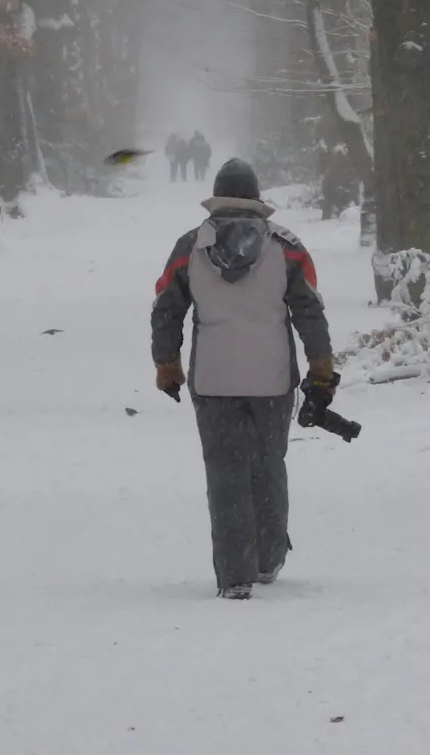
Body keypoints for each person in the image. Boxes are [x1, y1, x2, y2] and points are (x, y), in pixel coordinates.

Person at [150, 158, 336, 600]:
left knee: (225, 472)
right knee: (268, 465)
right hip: (272, 380)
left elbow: (165, 306)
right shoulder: (286, 247)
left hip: (213, 381)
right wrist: (321, 365)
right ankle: (268, 558)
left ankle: (235, 575)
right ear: (256, 199)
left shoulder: (190, 246)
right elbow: (309, 308)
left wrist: (167, 363)